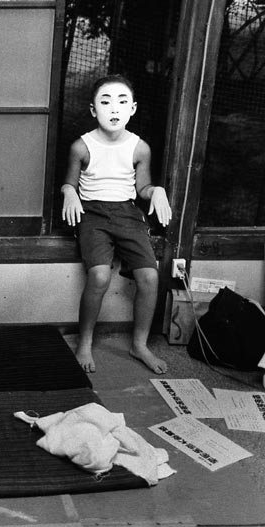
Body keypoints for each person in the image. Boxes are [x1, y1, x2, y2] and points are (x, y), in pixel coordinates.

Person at [61, 74, 172, 375]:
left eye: (122, 102)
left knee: (150, 277)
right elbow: (69, 183)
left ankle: (139, 345)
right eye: (106, 101)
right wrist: (69, 192)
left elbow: (142, 188)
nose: (114, 108)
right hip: (93, 215)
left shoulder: (139, 148)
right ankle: (85, 343)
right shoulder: (81, 146)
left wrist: (157, 191)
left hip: (127, 213)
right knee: (99, 276)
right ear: (93, 109)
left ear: (132, 109)